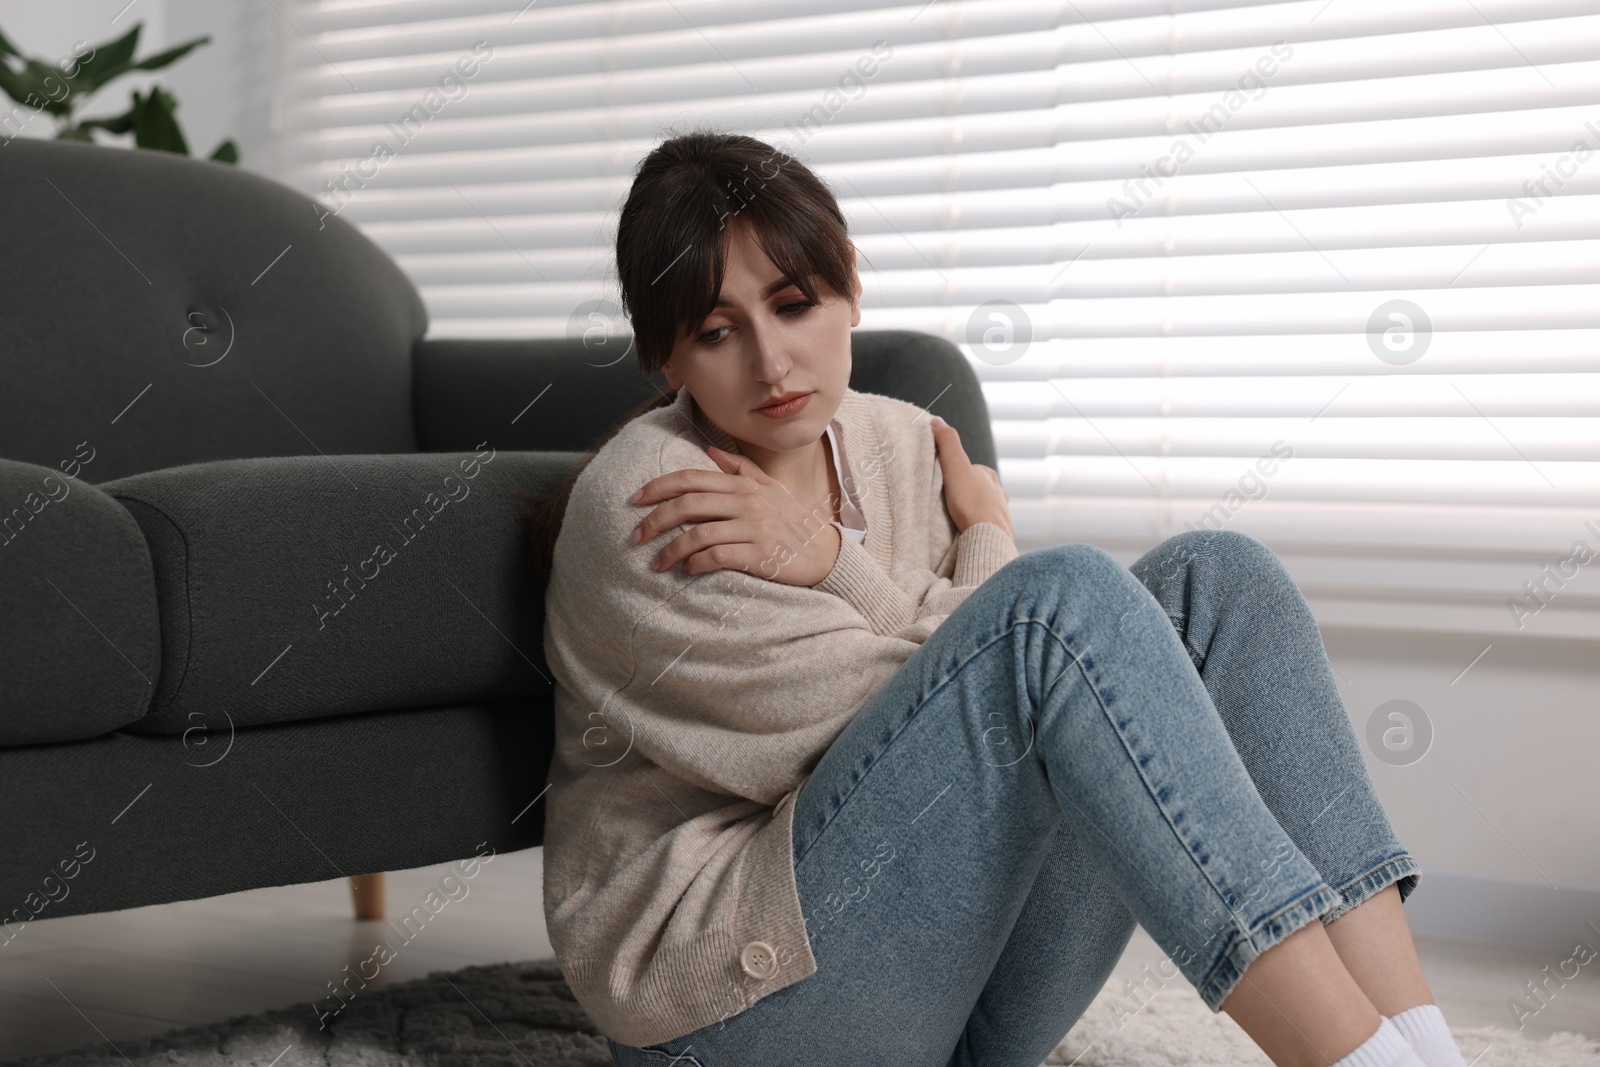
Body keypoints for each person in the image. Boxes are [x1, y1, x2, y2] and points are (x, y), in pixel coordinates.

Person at [524, 129, 1466, 1067]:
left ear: (850, 285)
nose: (772, 363)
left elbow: (975, 697)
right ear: (668, 359)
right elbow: (890, 721)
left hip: (957, 993)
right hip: (740, 1008)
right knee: (1063, 609)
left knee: (1218, 581)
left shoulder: (899, 442)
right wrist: (977, 544)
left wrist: (861, 575)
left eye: (795, 304)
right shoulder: (657, 505)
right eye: (718, 332)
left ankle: (1425, 1048)